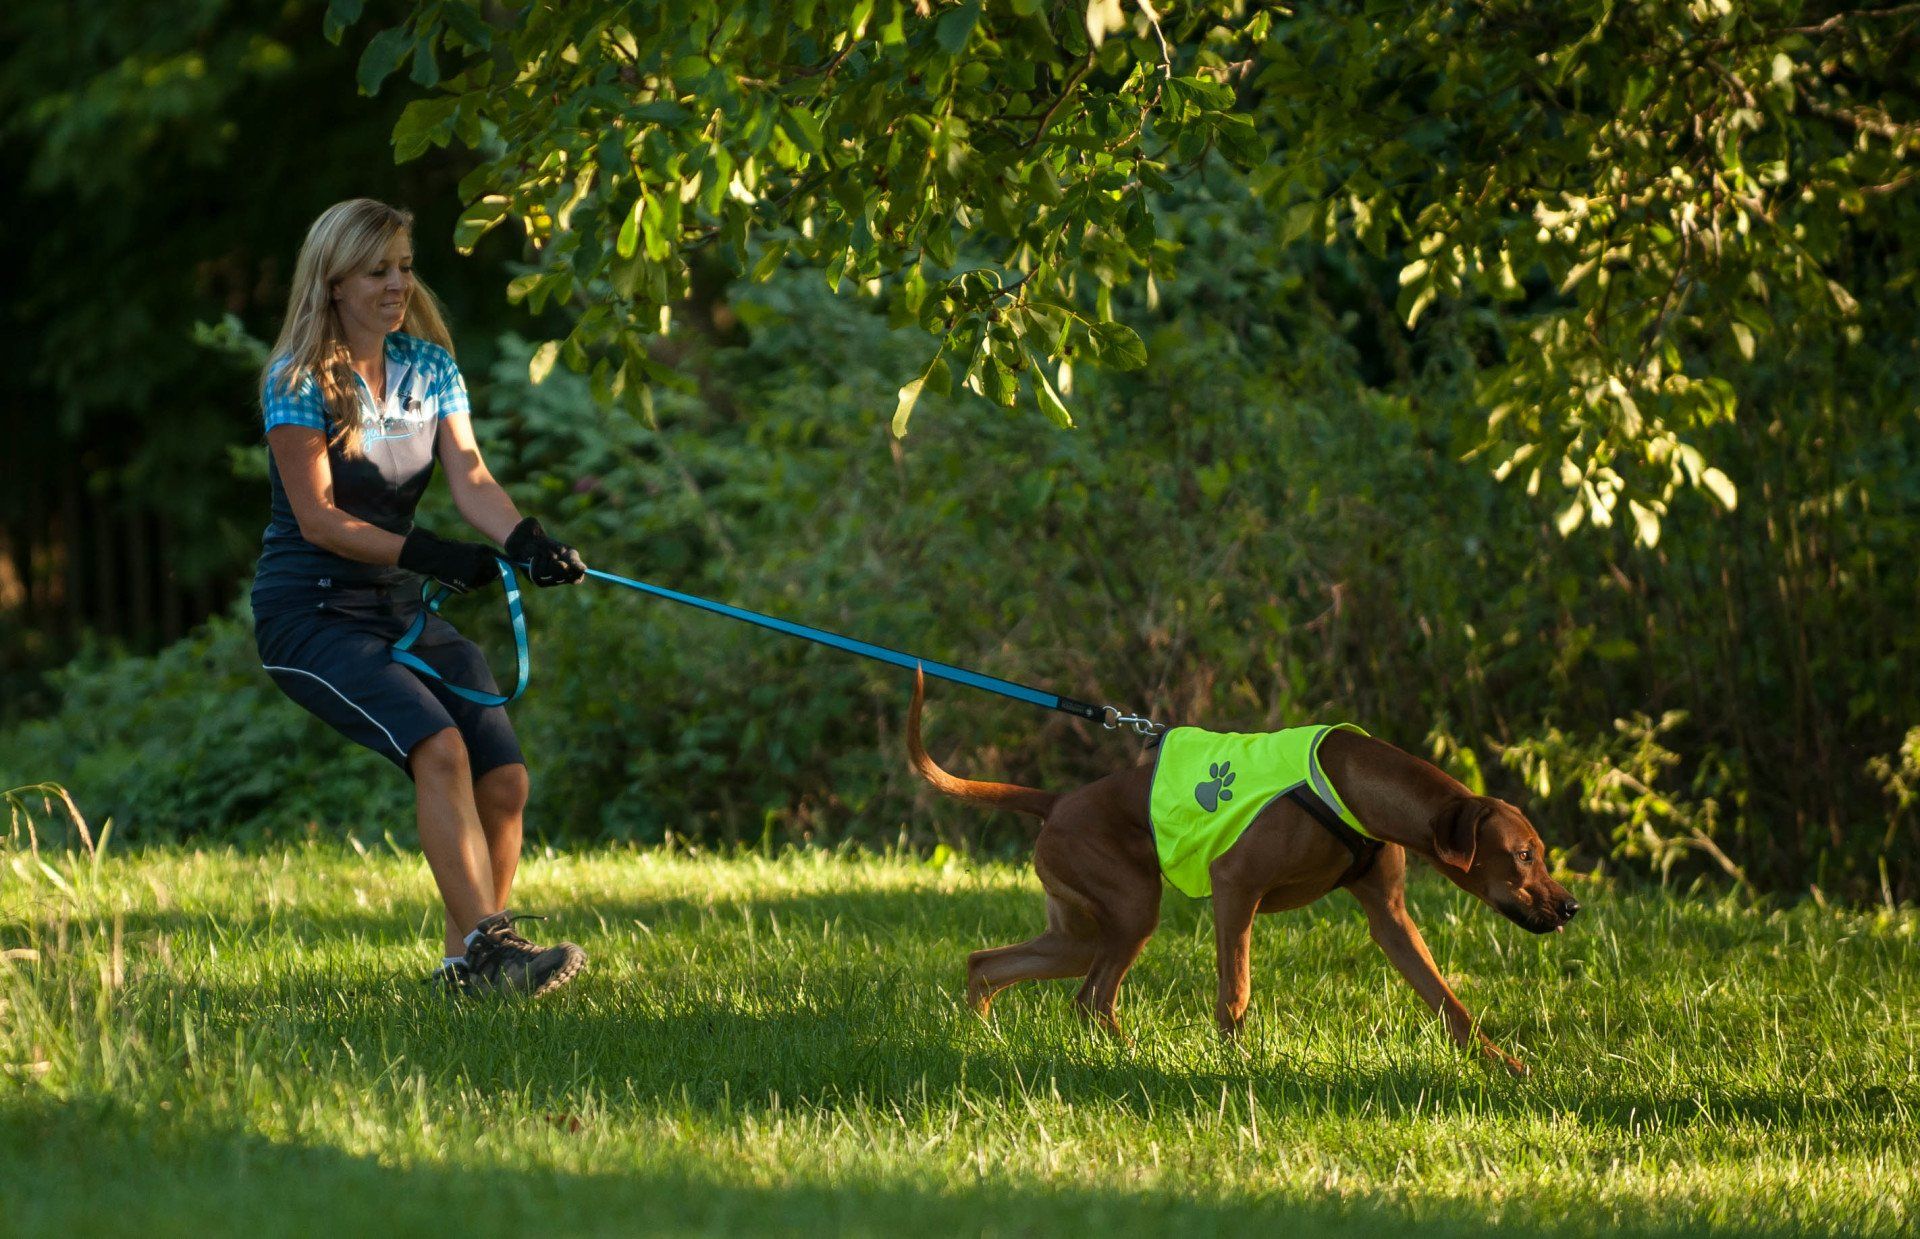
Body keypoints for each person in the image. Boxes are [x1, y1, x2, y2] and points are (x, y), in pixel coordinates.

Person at [250, 198, 588, 995]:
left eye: (404, 265)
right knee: (439, 747)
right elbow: (321, 519)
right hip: (312, 615)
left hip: (396, 608)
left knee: (503, 775)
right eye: (378, 270)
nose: (398, 282)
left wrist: (526, 542)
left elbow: (471, 477)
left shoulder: (430, 368)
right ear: (333, 282)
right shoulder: (297, 381)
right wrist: (429, 551)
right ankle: (491, 948)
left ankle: (469, 964)